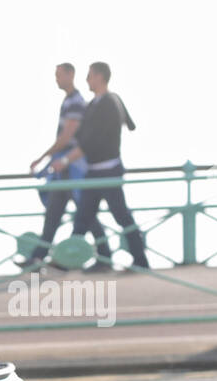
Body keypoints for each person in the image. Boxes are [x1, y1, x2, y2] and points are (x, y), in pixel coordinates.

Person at [53, 61, 150, 270]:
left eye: (89, 75)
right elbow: (129, 125)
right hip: (95, 171)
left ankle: (140, 261)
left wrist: (65, 160)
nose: (87, 80)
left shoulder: (106, 103)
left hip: (108, 171)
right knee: (83, 217)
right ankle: (79, 259)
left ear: (99, 77)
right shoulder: (100, 103)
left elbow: (89, 142)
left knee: (121, 215)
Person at [23, 63, 108, 269]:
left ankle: (101, 255)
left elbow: (67, 137)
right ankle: (39, 257)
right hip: (65, 169)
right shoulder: (71, 101)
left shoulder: (76, 103)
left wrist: (43, 158)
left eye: (59, 75)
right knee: (56, 214)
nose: (56, 79)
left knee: (83, 214)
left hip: (70, 168)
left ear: (70, 75)